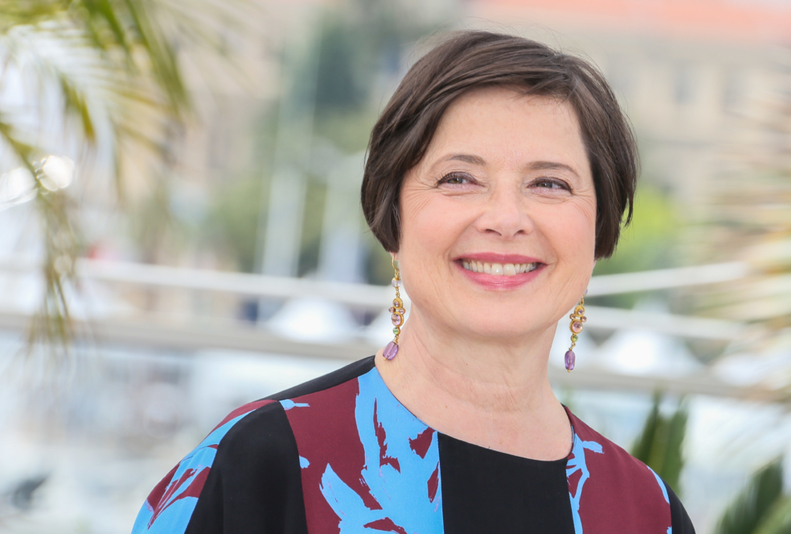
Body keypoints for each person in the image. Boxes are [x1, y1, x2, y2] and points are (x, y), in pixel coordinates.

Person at [132, 31, 695, 533]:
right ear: (393, 214)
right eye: (459, 178)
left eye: (549, 184)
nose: (505, 217)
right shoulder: (263, 462)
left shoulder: (647, 512)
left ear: (598, 227)